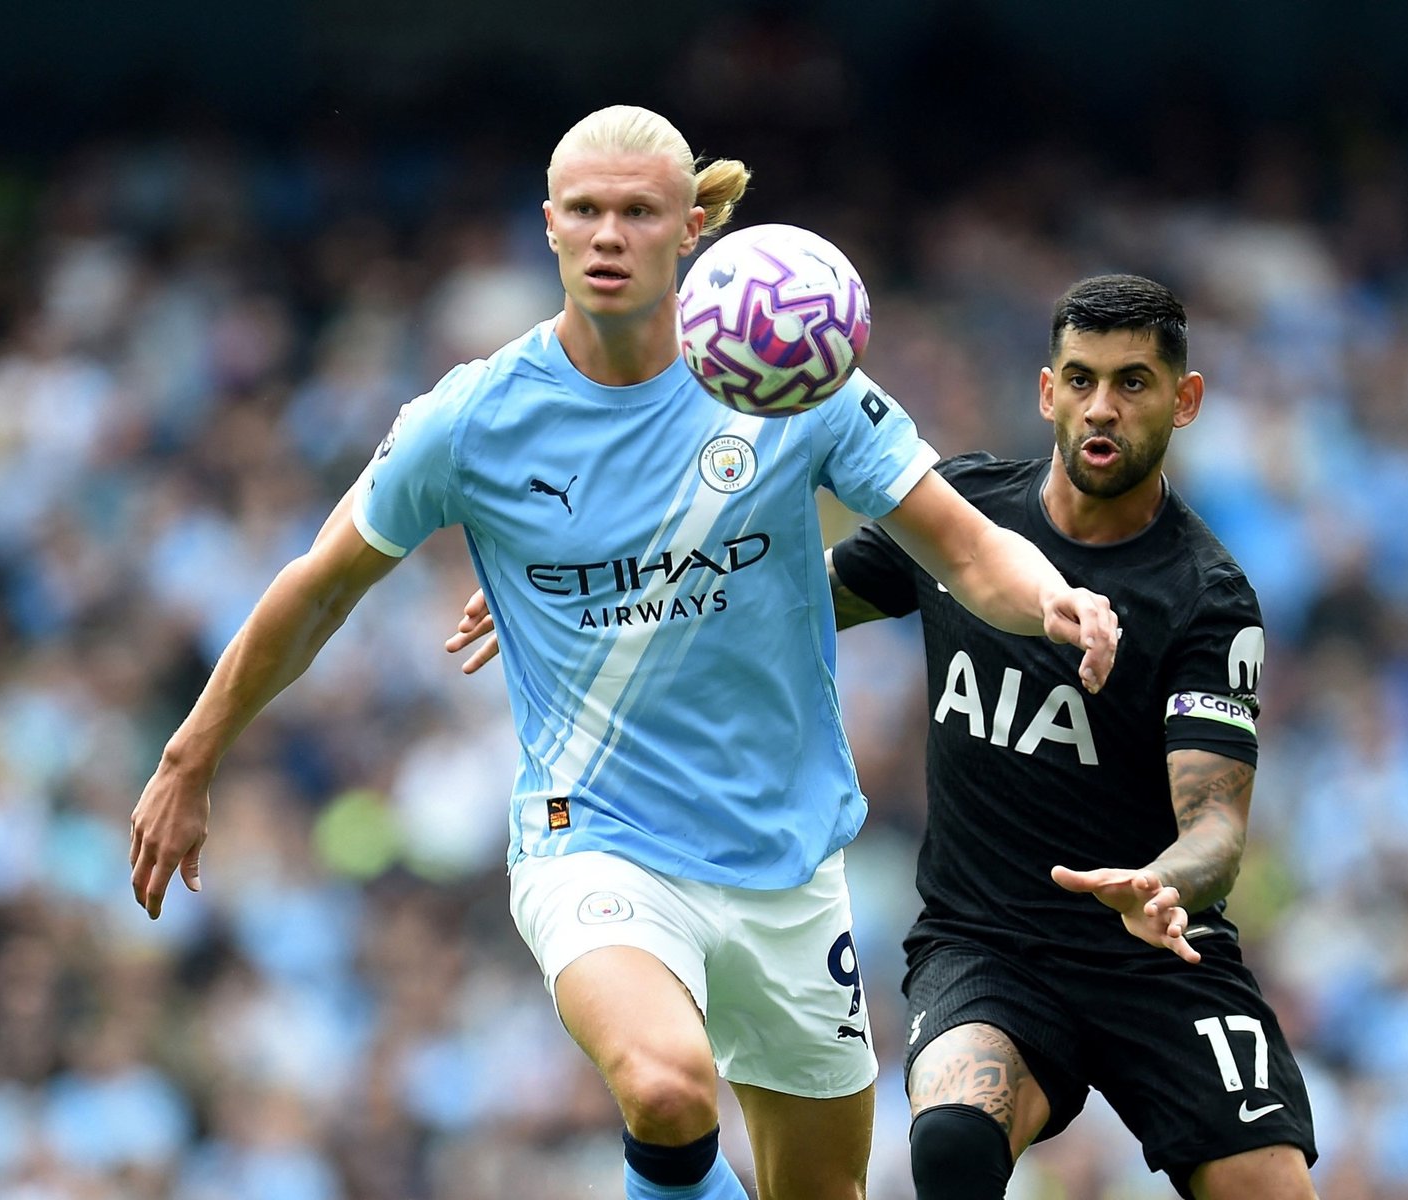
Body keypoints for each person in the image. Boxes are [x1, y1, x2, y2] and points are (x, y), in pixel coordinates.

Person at [128, 105, 1119, 1200]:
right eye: (586, 211)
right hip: (595, 838)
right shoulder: (473, 420)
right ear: (549, 225)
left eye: (637, 212)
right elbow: (317, 588)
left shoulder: (790, 380)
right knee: (664, 1087)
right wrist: (190, 757)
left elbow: (971, 554)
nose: (608, 234)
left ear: (691, 226)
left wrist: (1056, 600)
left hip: (787, 857)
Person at [830, 274, 1320, 1199]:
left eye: (1133, 383)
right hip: (987, 945)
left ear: (1185, 401)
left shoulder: (1206, 598)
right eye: (1082, 378)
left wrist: (1159, 882)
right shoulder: (963, 519)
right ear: (1046, 390)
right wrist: (590, 601)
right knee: (948, 1143)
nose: (1104, 407)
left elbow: (1215, 827)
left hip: (1155, 953)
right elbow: (794, 601)